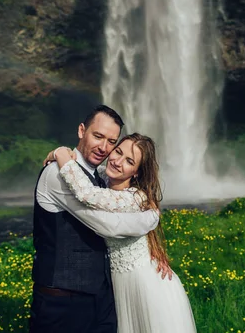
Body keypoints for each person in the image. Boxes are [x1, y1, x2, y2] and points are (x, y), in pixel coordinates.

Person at [30, 105, 165, 333]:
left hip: (101, 298)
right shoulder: (57, 174)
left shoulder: (102, 176)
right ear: (82, 131)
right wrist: (152, 219)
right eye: (98, 136)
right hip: (62, 303)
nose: (104, 148)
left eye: (112, 142)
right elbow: (106, 226)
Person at [46, 133, 197, 333]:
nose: (117, 161)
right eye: (117, 151)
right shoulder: (103, 177)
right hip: (114, 282)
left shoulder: (133, 198)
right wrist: (64, 153)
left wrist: (59, 154)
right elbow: (83, 171)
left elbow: (86, 194)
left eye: (129, 161)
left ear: (136, 172)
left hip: (143, 284)